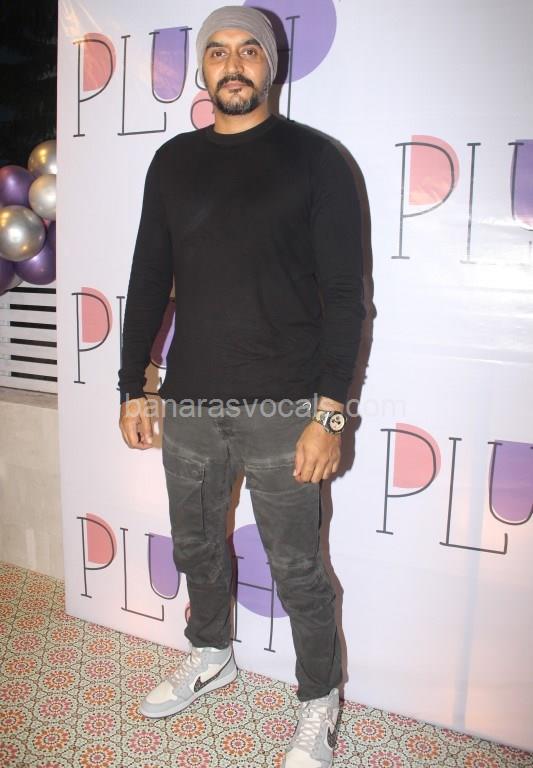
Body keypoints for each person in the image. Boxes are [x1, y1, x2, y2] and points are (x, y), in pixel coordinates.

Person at [118, 6, 365, 767]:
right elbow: (149, 279)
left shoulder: (317, 160)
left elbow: (346, 297)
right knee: (197, 547)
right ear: (201, 67)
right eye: (217, 51)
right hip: (190, 404)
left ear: (271, 65)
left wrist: (330, 414)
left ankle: (318, 700)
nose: (232, 64)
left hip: (287, 411)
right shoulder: (172, 162)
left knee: (297, 569)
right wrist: (132, 385)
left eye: (248, 50)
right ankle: (211, 655)